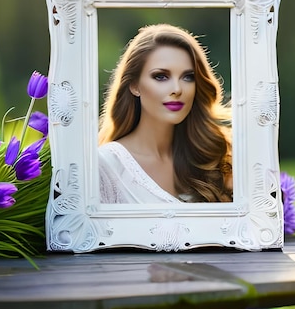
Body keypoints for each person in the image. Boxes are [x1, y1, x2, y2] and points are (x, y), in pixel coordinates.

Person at [98, 23, 232, 204]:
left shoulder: (210, 162)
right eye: (161, 76)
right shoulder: (106, 165)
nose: (177, 89)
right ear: (134, 85)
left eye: (188, 77)